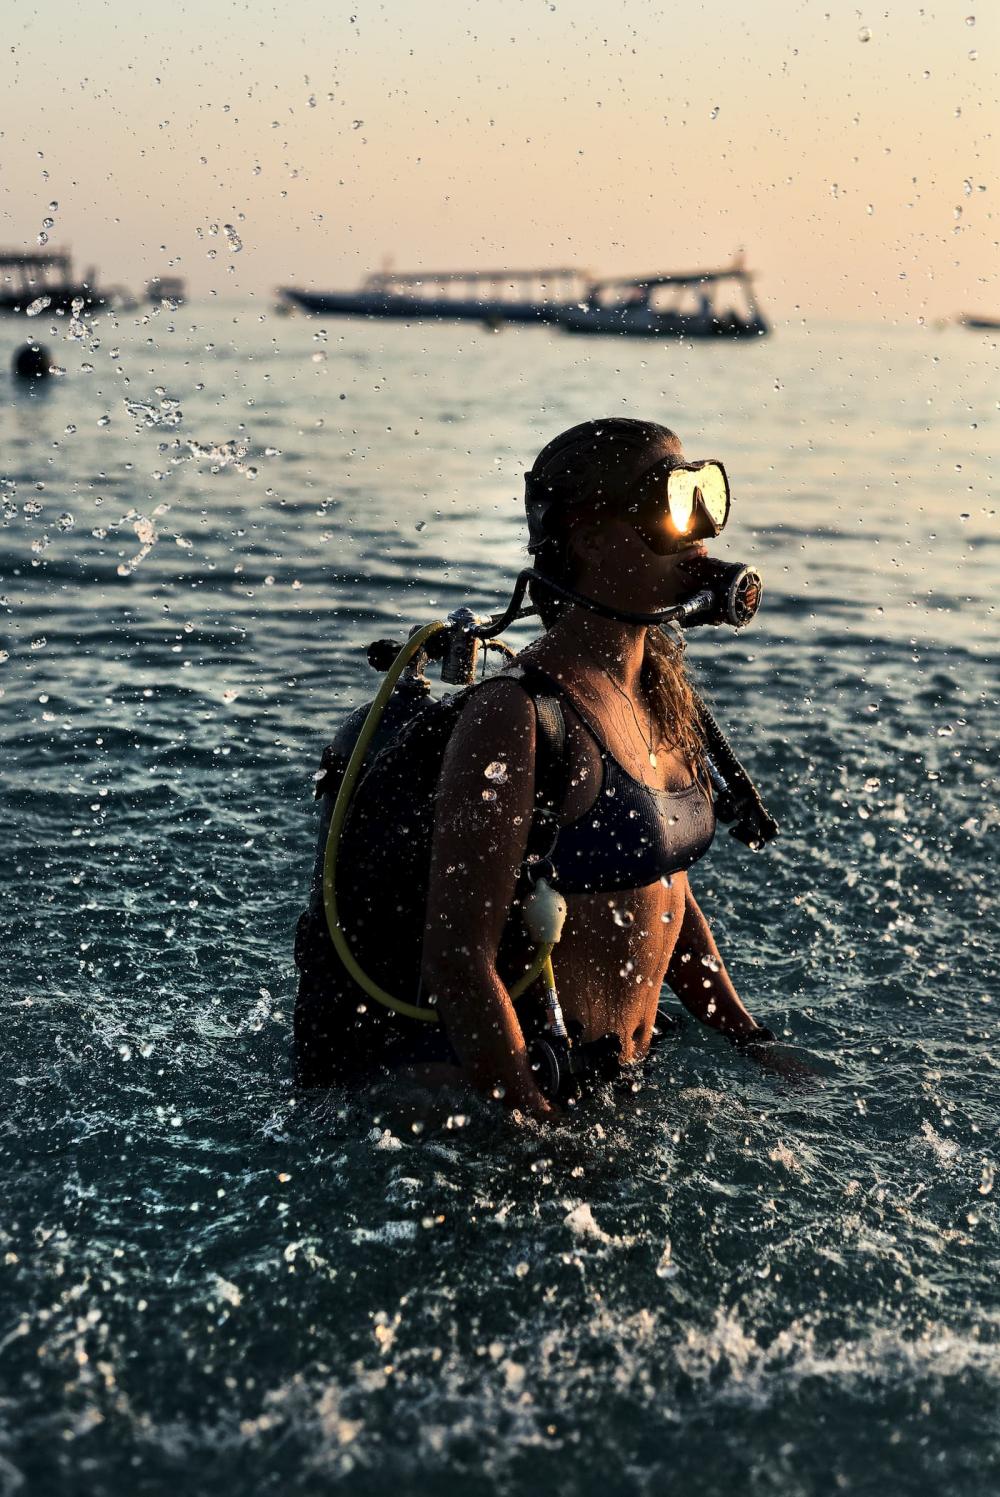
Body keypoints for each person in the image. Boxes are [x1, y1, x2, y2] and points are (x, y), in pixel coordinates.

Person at [295, 417, 782, 1113]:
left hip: (612, 1090)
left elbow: (667, 892)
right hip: (514, 1109)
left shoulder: (663, 692)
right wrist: (533, 1127)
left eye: (707, 495)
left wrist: (749, 1037)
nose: (701, 531)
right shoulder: (516, 717)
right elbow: (458, 960)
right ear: (587, 536)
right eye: (676, 502)